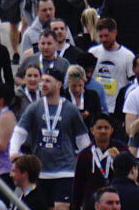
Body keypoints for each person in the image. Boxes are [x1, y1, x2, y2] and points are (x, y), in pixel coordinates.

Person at [13, 68, 91, 210]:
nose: (43, 84)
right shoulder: (35, 107)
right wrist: (13, 152)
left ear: (59, 84)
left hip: (65, 170)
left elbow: (83, 140)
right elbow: (19, 132)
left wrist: (85, 165)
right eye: (42, 81)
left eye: (48, 81)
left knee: (62, 207)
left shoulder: (70, 109)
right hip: (40, 172)